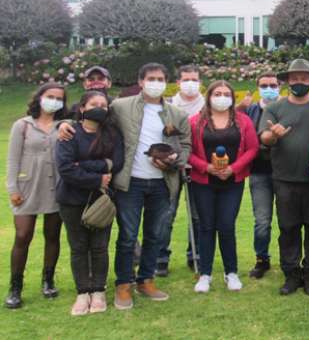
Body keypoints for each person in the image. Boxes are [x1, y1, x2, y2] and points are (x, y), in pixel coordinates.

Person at [59, 63, 191, 310]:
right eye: (151, 78)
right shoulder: (121, 106)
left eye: (160, 79)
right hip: (130, 182)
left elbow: (185, 144)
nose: (156, 82)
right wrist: (62, 125)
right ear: (141, 81)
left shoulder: (177, 113)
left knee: (155, 235)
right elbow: (88, 114)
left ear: (167, 82)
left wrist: (175, 161)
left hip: (163, 183)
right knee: (128, 236)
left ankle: (147, 280)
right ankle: (123, 284)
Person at [258, 59, 309, 296]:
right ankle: (291, 274)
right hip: (284, 179)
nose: (298, 82)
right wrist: (273, 135)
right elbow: (264, 139)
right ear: (287, 81)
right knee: (288, 228)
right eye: (294, 78)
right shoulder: (275, 109)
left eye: (303, 78)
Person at [55, 91, 124, 315]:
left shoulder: (112, 133)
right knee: (78, 247)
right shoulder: (70, 133)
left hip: (101, 200)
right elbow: (65, 168)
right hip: (72, 200)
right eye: (94, 104)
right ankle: (83, 292)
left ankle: (99, 290)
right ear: (83, 107)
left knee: (99, 247)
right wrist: (97, 175)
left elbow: (118, 162)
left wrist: (83, 164)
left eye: (104, 105)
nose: (100, 108)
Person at [188, 81, 259, 293]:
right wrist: (206, 167)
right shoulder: (195, 122)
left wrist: (234, 168)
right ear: (209, 96)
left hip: (232, 182)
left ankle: (232, 272)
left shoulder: (243, 121)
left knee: (227, 226)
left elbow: (252, 148)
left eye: (226, 93)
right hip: (204, 182)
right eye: (217, 93)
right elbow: (188, 151)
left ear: (232, 97)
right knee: (206, 227)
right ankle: (205, 274)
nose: (221, 97)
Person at [5, 83, 67, 309]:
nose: (54, 101)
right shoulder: (22, 125)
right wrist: (13, 188)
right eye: (50, 96)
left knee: (53, 235)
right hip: (28, 186)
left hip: (56, 186)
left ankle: (48, 280)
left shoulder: (64, 125)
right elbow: (12, 159)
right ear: (40, 97)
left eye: (58, 98)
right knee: (23, 236)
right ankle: (15, 286)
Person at [158, 64, 205, 276]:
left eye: (194, 80)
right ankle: (160, 257)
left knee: (197, 215)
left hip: (198, 168)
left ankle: (194, 255)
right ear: (178, 83)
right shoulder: (166, 107)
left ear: (200, 82)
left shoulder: (207, 107)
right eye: (186, 80)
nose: (190, 84)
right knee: (166, 215)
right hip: (171, 169)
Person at [243, 72, 281, 279]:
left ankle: (289, 259)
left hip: (284, 172)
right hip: (259, 173)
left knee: (288, 220)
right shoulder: (250, 110)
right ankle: (262, 259)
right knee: (262, 221)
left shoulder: (285, 108)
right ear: (258, 88)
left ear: (279, 87)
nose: (269, 88)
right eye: (264, 85)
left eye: (273, 85)